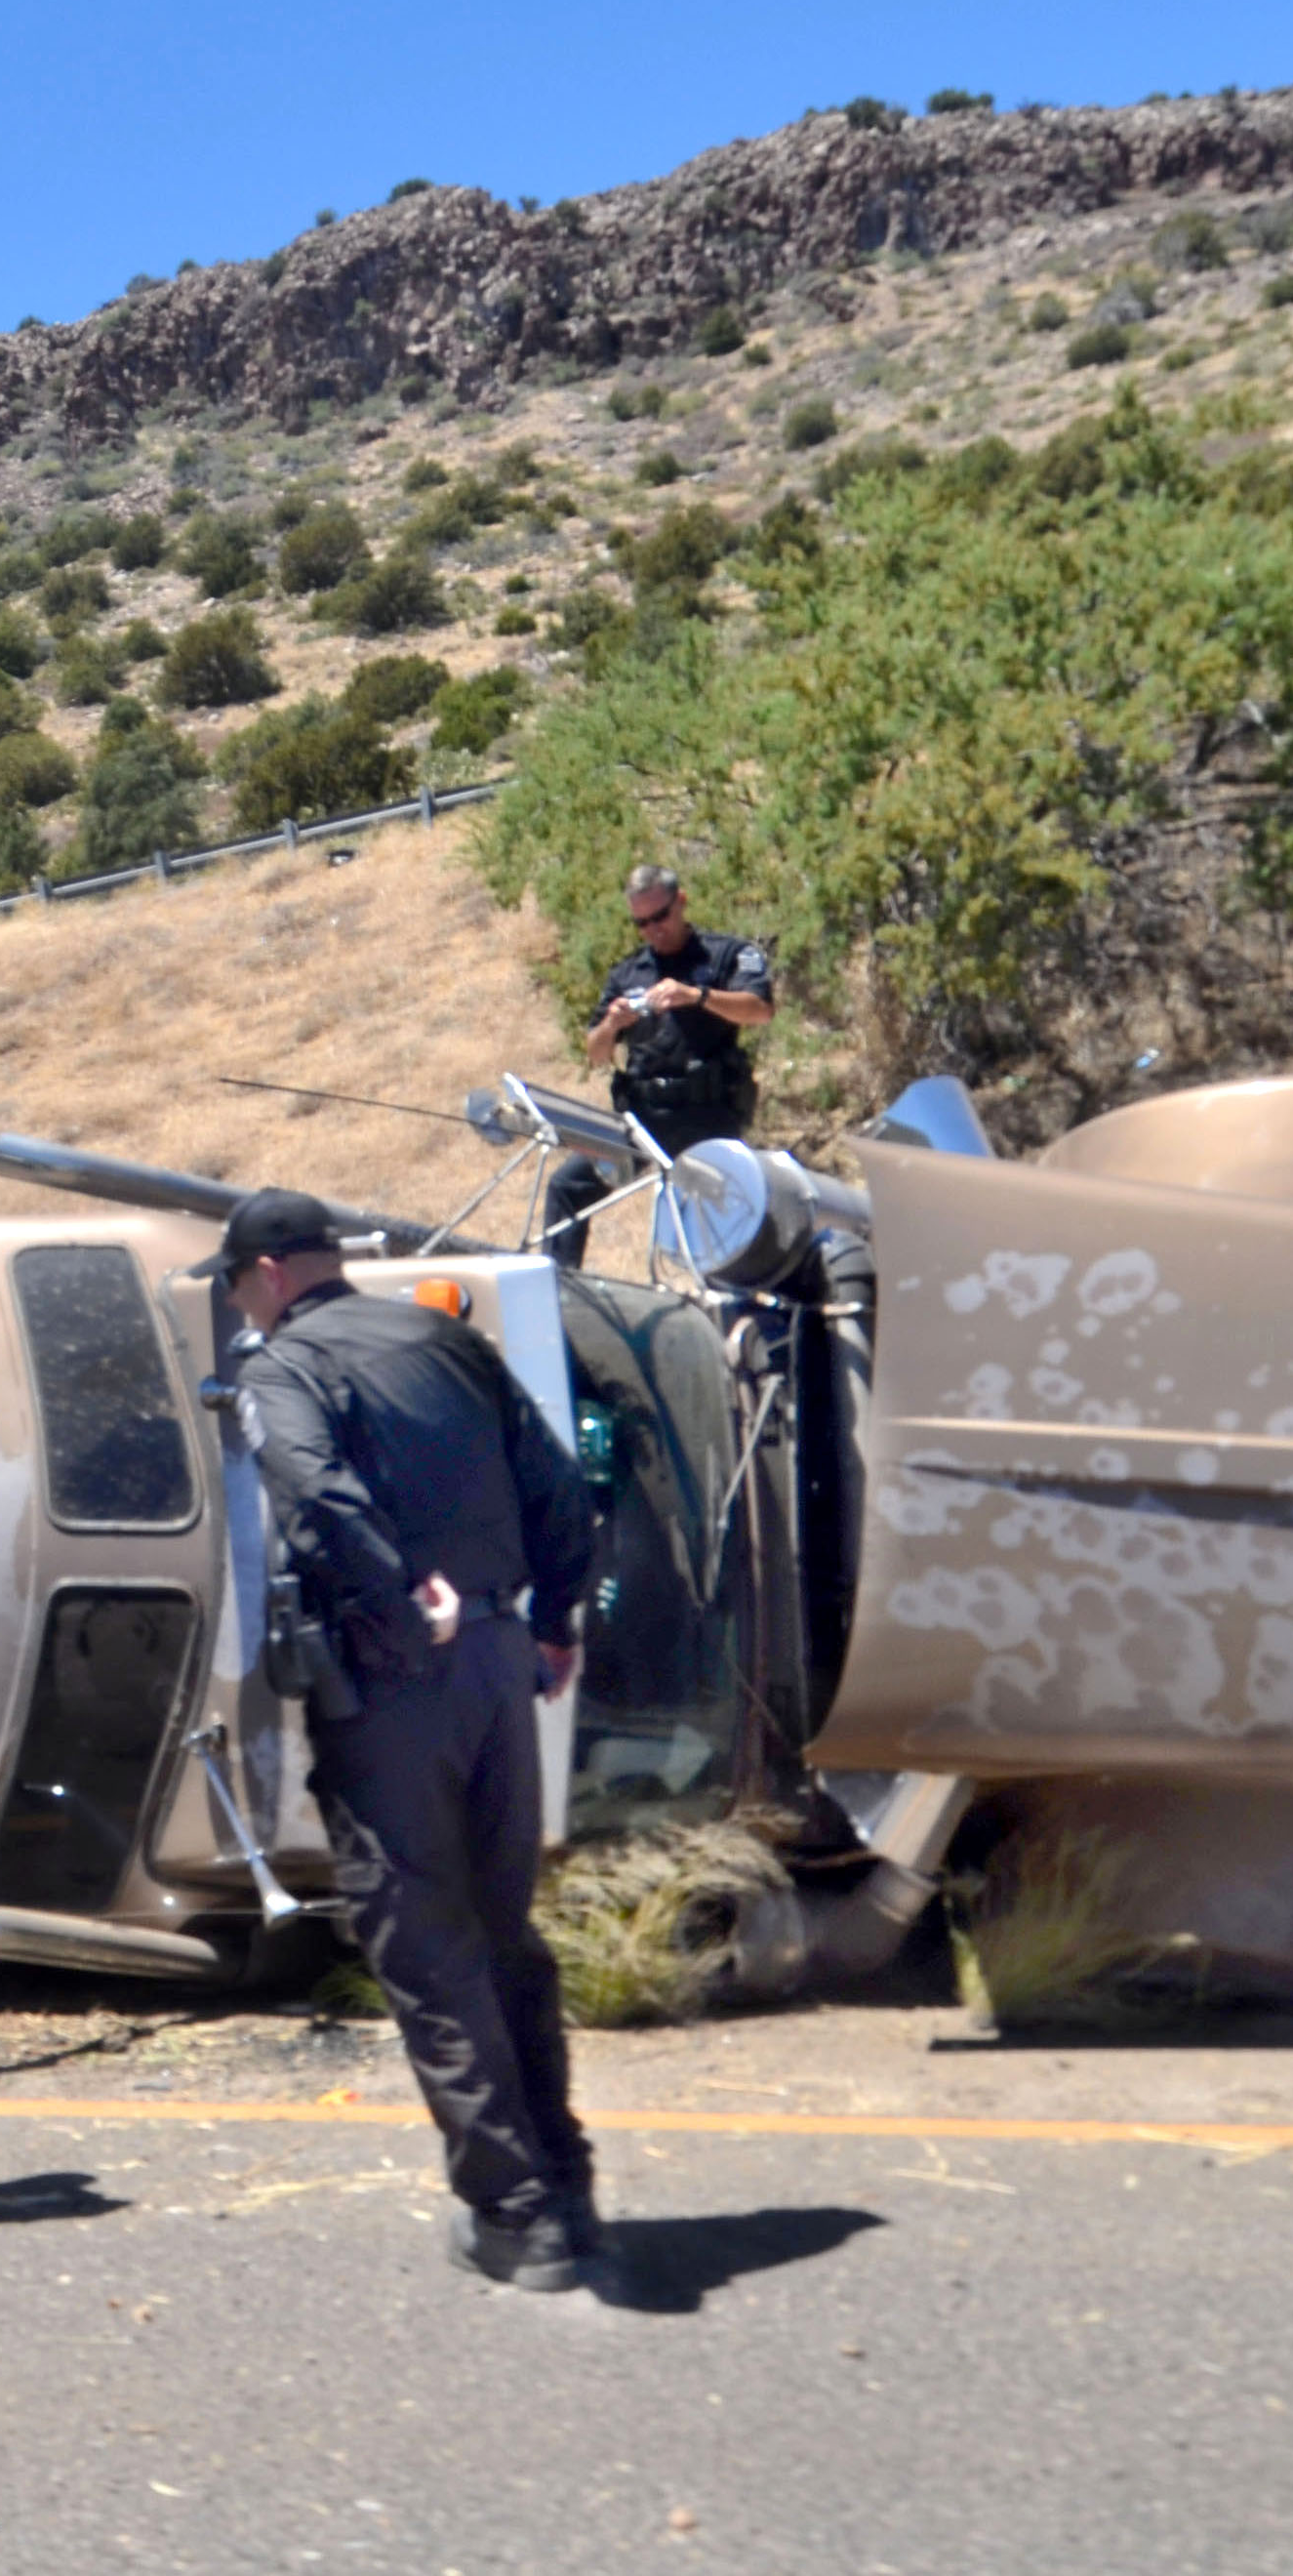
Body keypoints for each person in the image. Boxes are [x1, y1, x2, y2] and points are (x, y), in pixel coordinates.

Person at [215, 1190, 608, 2289]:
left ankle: (517, 2217)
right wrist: (556, 1620)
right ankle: (566, 2186)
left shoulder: (278, 1367)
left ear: (267, 1274)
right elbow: (559, 1487)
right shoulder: (443, 1339)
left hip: (394, 1676)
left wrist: (396, 1594)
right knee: (503, 1933)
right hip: (496, 1662)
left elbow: (315, 1495)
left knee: (424, 1945)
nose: (243, 1305)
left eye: (238, 1285)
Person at [544, 863, 776, 1273]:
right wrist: (612, 1025)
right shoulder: (629, 972)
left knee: (722, 1225)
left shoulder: (726, 954)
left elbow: (760, 1011)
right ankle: (558, 1292)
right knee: (567, 1187)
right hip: (644, 1119)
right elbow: (595, 1052)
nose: (654, 929)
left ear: (681, 902)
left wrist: (698, 996)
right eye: (642, 923)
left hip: (706, 1115)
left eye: (660, 916)